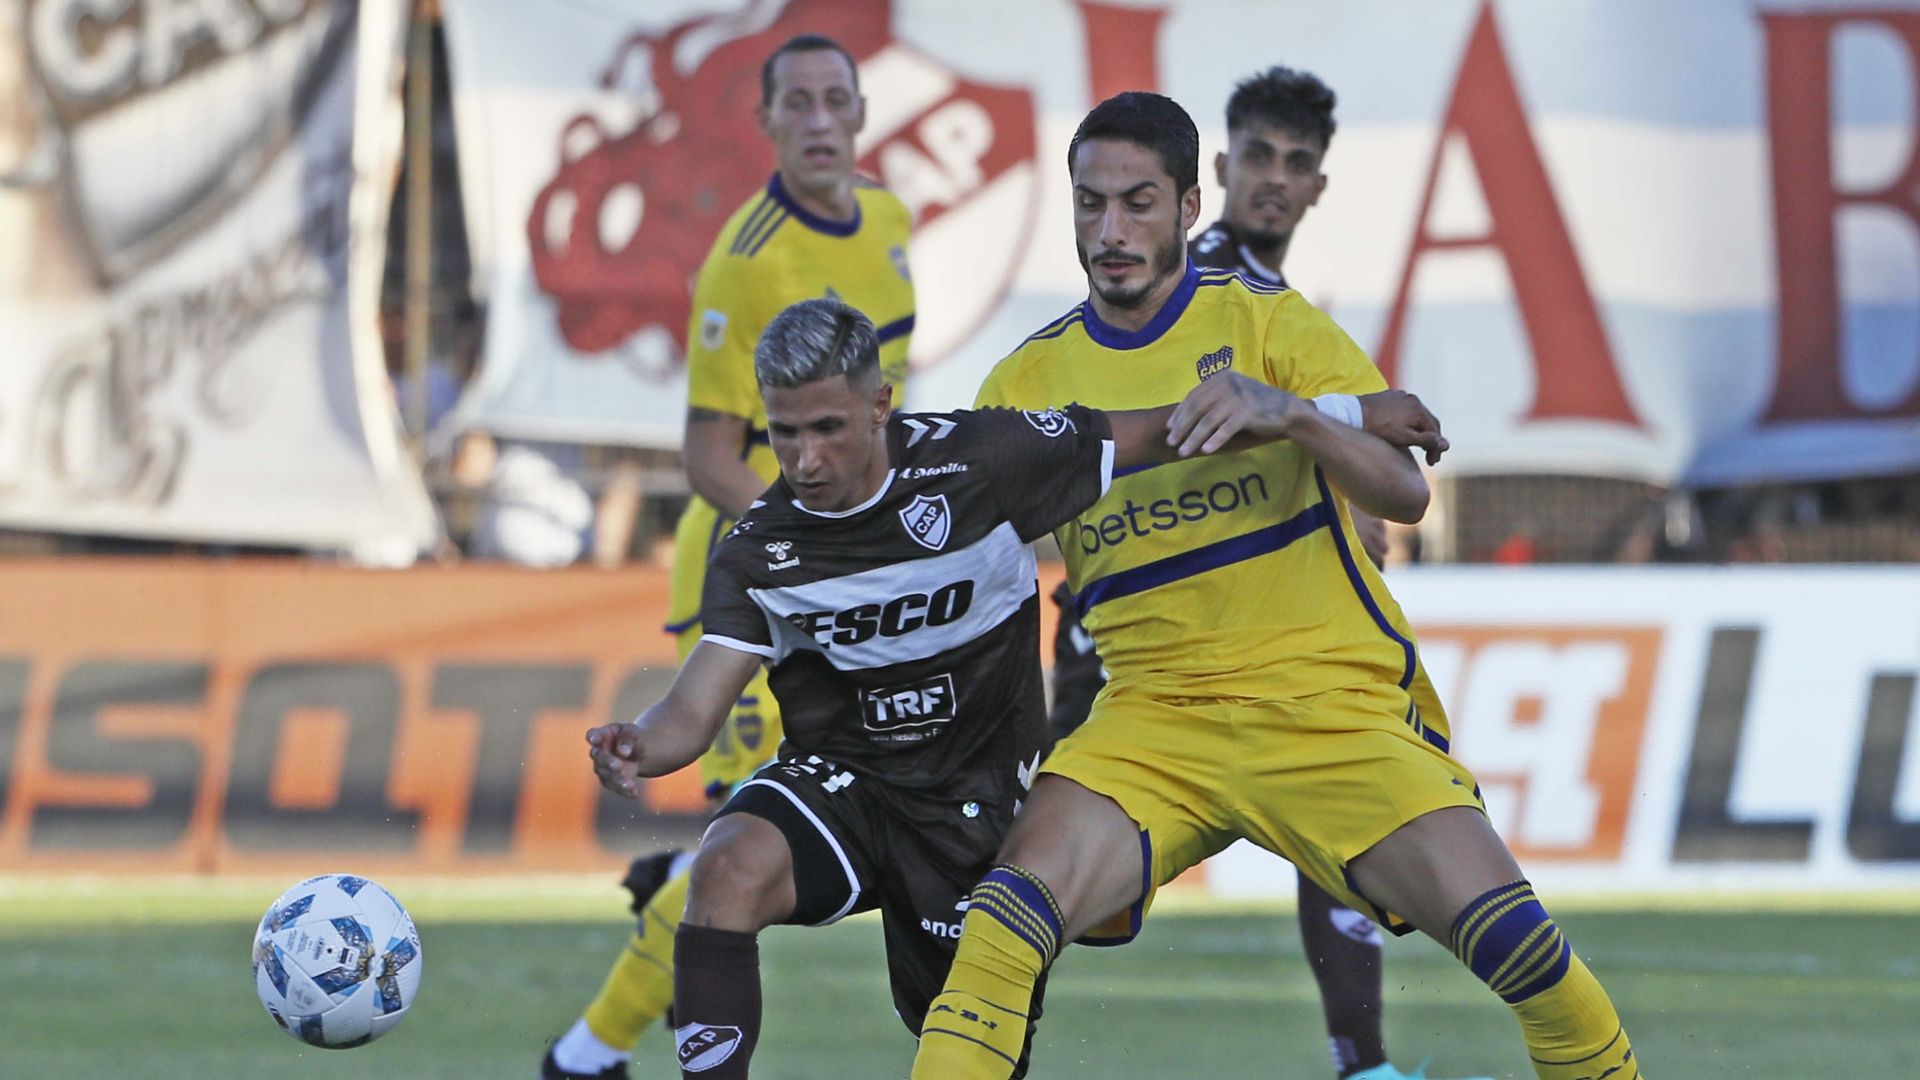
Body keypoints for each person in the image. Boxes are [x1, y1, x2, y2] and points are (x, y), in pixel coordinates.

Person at [910, 92, 1643, 1080]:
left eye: (1137, 203)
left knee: (1532, 964)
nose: (1111, 231)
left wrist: (1294, 416)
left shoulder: (1266, 323)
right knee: (999, 932)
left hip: (1325, 705)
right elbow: (970, 554)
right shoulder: (1026, 380)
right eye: (1090, 206)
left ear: (1186, 204)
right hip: (1153, 719)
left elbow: (1405, 491)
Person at [584, 296, 1405, 1078]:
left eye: (828, 429)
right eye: (785, 433)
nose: (804, 459)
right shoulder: (759, 550)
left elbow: (1168, 430)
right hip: (847, 786)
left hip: (974, 803)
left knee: (963, 1043)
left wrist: (1354, 417)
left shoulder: (984, 457)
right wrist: (641, 743)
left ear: (880, 406)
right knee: (724, 869)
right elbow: (693, 710)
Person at [1044, 67, 1480, 1080]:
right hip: (1134, 638)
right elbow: (1182, 429)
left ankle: (1359, 1062)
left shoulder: (1269, 304)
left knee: (1331, 826)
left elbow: (1353, 445)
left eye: (1299, 165)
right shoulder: (1187, 286)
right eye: (1260, 160)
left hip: (1235, 630)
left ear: (1319, 186)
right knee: (1057, 892)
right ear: (1219, 172)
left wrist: (1342, 434)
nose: (1276, 182)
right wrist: (1358, 416)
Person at [542, 32, 915, 1080]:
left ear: (861, 112)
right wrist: (813, 537)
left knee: (778, 832)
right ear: (764, 123)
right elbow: (708, 453)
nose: (819, 121)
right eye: (795, 103)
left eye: (835, 100)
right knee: (744, 846)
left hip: (860, 561)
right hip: (755, 572)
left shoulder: (889, 220)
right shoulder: (748, 259)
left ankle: (581, 1056)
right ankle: (581, 1060)